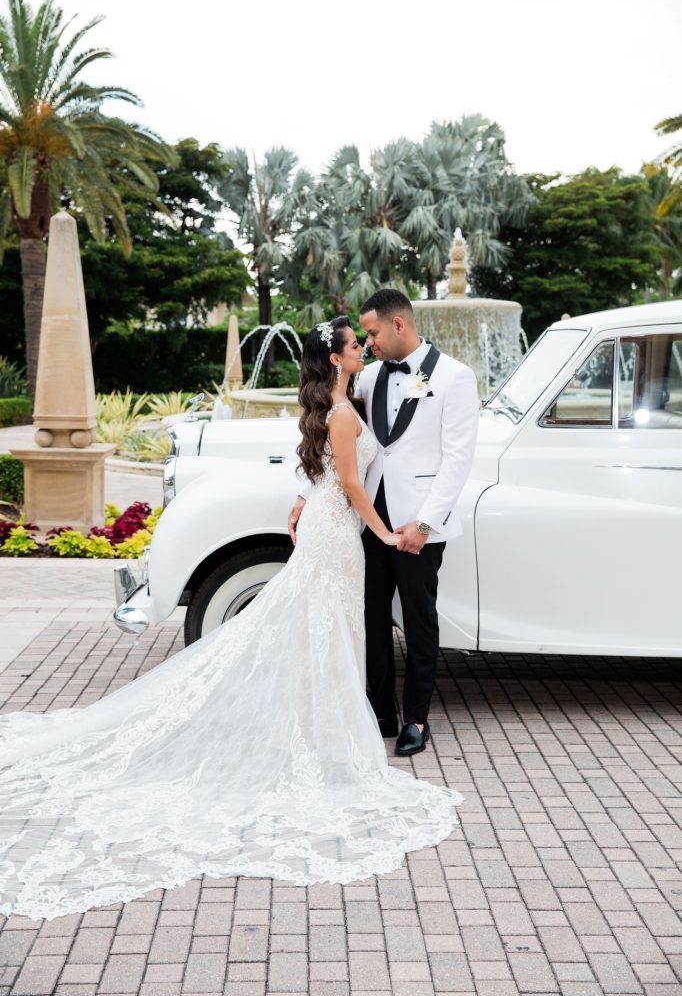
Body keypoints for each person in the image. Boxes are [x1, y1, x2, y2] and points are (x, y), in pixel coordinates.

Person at [0, 316, 463, 922]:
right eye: (355, 345)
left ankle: (323, 726)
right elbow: (350, 480)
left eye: (364, 342)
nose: (365, 350)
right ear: (337, 358)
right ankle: (325, 734)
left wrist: (316, 498)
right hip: (344, 532)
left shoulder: (346, 398)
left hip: (333, 528)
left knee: (322, 629)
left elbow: (332, 467)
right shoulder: (346, 409)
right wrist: (384, 532)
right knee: (326, 628)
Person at [290, 290, 479, 757]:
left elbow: (458, 459)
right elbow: (328, 437)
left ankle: (416, 718)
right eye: (362, 337)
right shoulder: (369, 377)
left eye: (372, 333)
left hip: (418, 526)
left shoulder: (455, 377)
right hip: (368, 524)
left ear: (398, 325)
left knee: (419, 623)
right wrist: (303, 494)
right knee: (370, 621)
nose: (368, 342)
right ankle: (380, 712)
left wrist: (425, 524)